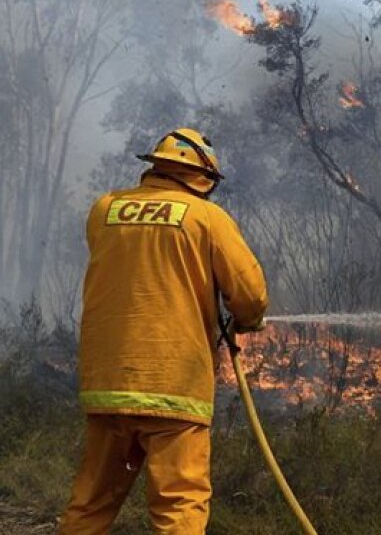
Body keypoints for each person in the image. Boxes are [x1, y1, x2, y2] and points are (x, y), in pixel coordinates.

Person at [60, 128, 268, 534]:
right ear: (203, 178)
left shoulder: (105, 209)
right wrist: (247, 319)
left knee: (90, 505)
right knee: (179, 506)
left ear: (155, 167)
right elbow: (250, 293)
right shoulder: (206, 217)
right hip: (175, 387)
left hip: (107, 386)